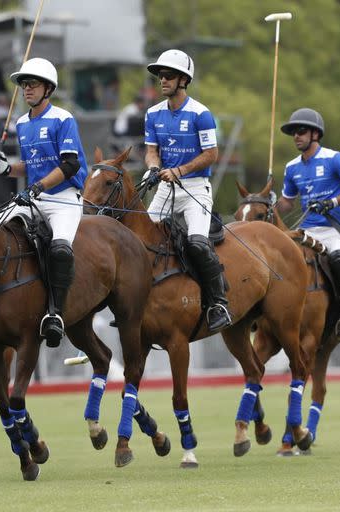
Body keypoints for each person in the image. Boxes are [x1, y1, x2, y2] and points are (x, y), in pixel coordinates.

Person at [0, 57, 87, 348]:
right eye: (23, 85)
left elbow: (69, 165)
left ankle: (55, 313)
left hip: (64, 200)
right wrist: (8, 169)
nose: (26, 89)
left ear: (48, 89)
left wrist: (37, 186)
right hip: (33, 196)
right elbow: (31, 166)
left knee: (59, 249)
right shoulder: (21, 123)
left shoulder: (62, 118)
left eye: (32, 84)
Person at [142, 49, 232, 333]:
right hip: (166, 188)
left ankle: (218, 303)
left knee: (196, 242)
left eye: (168, 76)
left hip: (195, 188)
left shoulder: (200, 114)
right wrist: (154, 168)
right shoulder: (153, 113)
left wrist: (180, 170)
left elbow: (211, 154)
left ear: (183, 80)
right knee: (140, 239)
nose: (162, 80)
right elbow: (151, 152)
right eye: (160, 76)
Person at [276, 107, 340, 340]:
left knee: (339, 260)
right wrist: (265, 204)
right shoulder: (291, 167)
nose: (296, 136)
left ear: (315, 134)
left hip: (333, 229)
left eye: (301, 131)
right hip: (305, 231)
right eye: (293, 132)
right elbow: (287, 203)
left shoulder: (335, 159)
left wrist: (332, 202)